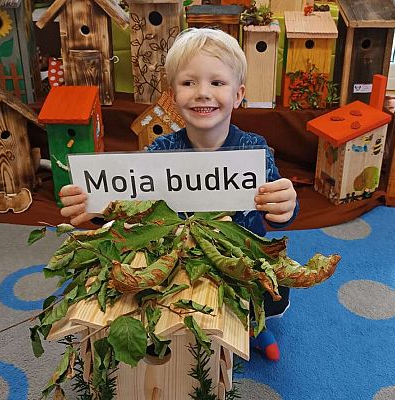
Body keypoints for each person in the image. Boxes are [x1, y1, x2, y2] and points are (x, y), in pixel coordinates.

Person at [59, 28, 299, 361]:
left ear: (239, 94)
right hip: (180, 259)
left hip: (240, 257)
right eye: (189, 83)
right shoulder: (160, 152)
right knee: (174, 314)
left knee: (255, 291)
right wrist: (95, 207)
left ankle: (254, 326)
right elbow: (132, 202)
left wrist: (286, 206)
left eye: (217, 83)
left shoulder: (254, 150)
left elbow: (277, 209)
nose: (202, 93)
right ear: (172, 95)